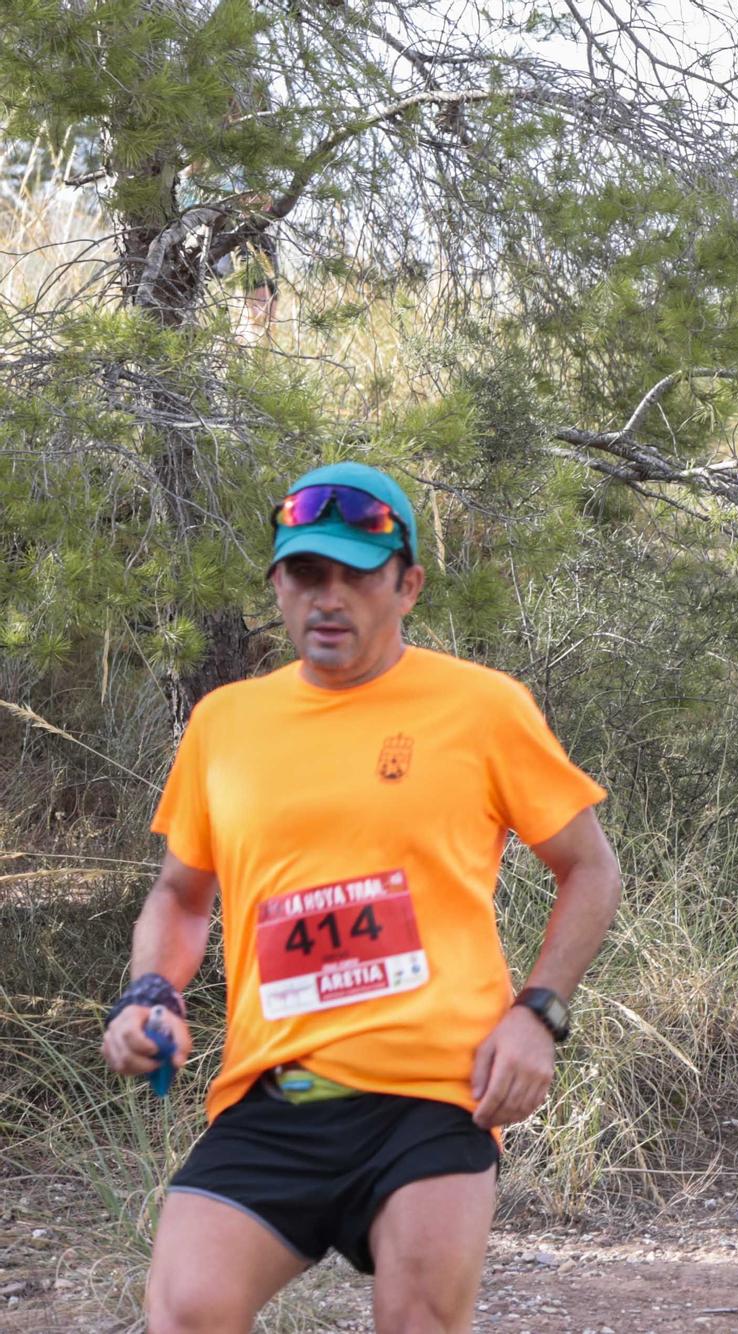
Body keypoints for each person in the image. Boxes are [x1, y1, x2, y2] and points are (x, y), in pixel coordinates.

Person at [99, 461, 623, 1332]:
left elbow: (591, 868)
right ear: (277, 584)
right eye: (307, 575)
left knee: (418, 1315)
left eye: (356, 575)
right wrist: (150, 992)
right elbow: (182, 896)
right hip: (278, 1092)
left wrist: (538, 1014)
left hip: (435, 1091)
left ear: (408, 585)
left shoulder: (482, 708)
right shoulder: (227, 723)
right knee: (186, 1310)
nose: (328, 599)